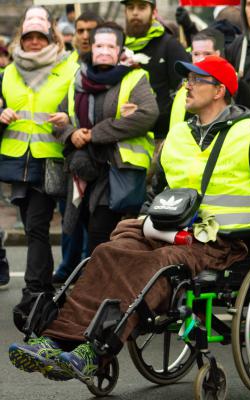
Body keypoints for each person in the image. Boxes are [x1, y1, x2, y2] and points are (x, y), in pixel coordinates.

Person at [8, 55, 250, 382]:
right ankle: (57, 338)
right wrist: (146, 221)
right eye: (186, 79)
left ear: (219, 90)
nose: (186, 86)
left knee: (159, 263)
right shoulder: (178, 135)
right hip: (171, 228)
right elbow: (158, 193)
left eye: (196, 80)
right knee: (108, 251)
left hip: (224, 241)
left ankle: (95, 350)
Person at [0, 5, 78, 331]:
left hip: (51, 159)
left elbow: (81, 111)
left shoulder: (70, 67)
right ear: (21, 36)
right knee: (33, 228)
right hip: (18, 161)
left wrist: (70, 121)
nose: (33, 42)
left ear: (51, 37)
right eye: (28, 36)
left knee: (38, 226)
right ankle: (41, 291)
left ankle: (36, 293)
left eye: (39, 36)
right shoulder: (8, 72)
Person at [58, 22, 159, 256]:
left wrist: (95, 134)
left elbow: (147, 115)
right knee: (84, 227)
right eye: (99, 45)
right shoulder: (78, 78)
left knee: (99, 233)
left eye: (110, 46)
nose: (104, 51)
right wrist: (72, 134)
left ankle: (97, 288)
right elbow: (62, 116)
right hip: (84, 170)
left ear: (120, 50)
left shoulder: (135, 77)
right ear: (91, 48)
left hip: (115, 171)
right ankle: (95, 283)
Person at [53, 11, 105, 285]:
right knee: (70, 215)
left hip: (102, 158)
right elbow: (59, 110)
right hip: (73, 156)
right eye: (80, 30)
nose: (85, 36)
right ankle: (68, 267)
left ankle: (88, 270)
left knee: (95, 222)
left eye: (91, 30)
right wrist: (71, 133)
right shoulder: (64, 64)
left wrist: (93, 134)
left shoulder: (112, 63)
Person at [122, 0, 190, 141]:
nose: (135, 12)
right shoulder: (117, 47)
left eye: (142, 7)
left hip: (160, 138)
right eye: (130, 7)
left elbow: (186, 93)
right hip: (122, 137)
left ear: (154, 12)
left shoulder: (170, 45)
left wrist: (144, 115)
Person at [170, 28, 224, 129]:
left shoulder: (230, 83)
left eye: (207, 54)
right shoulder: (184, 87)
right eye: (196, 54)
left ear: (218, 54)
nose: (200, 59)